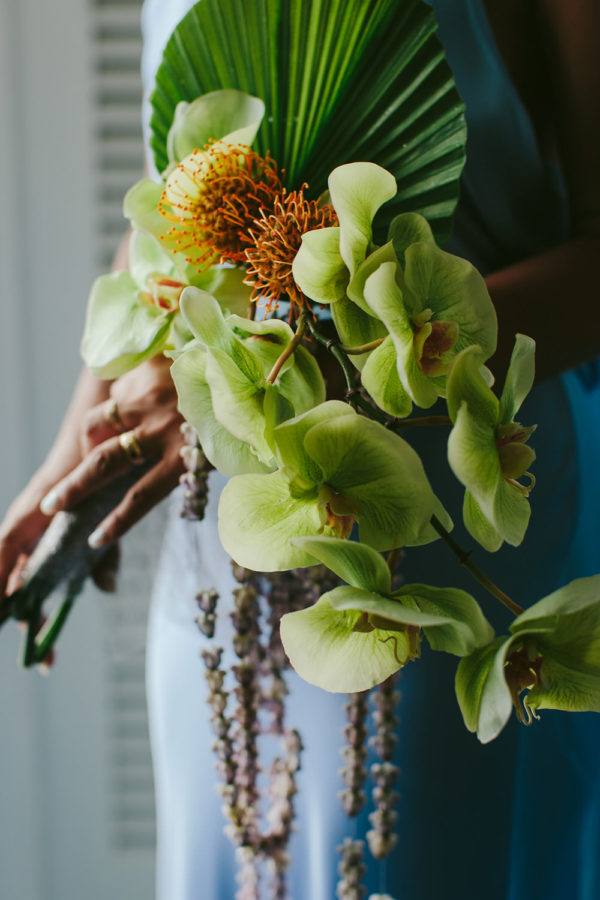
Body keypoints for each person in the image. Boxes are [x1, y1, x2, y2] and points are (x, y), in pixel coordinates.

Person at [1, 0, 599, 897]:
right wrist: (81, 445)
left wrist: (287, 370)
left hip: (436, 539)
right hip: (217, 524)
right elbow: (178, 205)